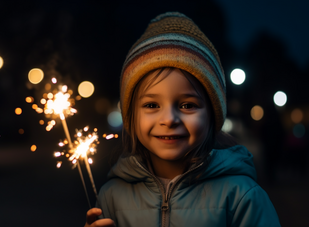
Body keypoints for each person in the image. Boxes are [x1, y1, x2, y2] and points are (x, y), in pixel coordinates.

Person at [85, 12, 281, 227]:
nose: (169, 119)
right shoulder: (111, 197)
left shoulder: (242, 197)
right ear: (131, 116)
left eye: (187, 105)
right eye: (152, 105)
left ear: (212, 115)